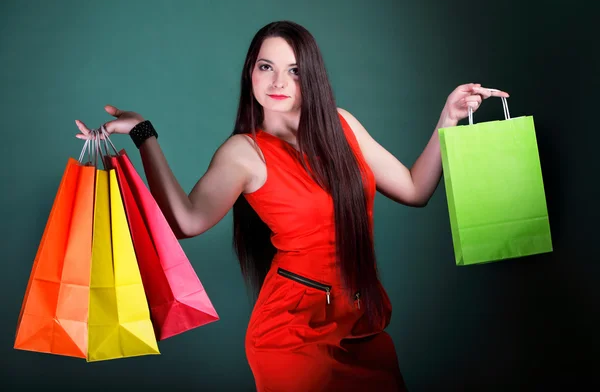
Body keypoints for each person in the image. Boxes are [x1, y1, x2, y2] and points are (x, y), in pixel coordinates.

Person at [75, 20, 508, 391]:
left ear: (311, 77)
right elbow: (186, 221)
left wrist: (447, 119)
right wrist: (143, 133)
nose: (279, 82)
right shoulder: (244, 152)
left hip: (363, 326)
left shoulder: (343, 125)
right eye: (267, 67)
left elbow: (415, 189)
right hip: (292, 336)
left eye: (294, 70)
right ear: (251, 73)